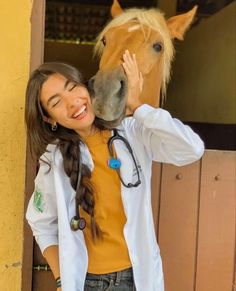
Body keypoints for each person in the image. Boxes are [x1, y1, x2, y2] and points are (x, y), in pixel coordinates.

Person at [25, 50, 204, 291]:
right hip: (89, 282)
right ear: (49, 119)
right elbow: (41, 224)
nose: (73, 102)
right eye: (56, 102)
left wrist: (137, 105)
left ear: (86, 87)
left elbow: (191, 148)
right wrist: (61, 279)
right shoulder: (53, 161)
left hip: (140, 277)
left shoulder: (132, 133)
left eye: (72, 88)